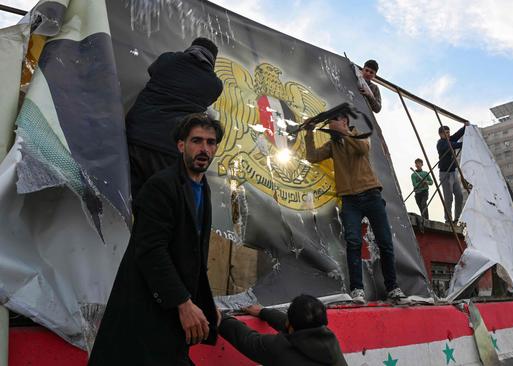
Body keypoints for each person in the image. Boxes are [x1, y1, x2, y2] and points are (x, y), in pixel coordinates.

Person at [88, 114, 224, 366]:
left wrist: (204, 301)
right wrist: (184, 304)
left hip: (169, 312)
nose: (204, 149)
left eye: (210, 142)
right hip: (144, 308)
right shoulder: (161, 186)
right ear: (181, 145)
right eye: (197, 141)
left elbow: (192, 255)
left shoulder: (202, 188)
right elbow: (151, 250)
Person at [304, 113, 407, 305]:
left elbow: (362, 149)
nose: (330, 125)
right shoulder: (332, 145)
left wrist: (344, 134)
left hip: (371, 194)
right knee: (353, 243)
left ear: (344, 121)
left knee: (384, 242)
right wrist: (309, 133)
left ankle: (393, 287)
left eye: (334, 121)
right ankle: (357, 289)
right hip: (349, 199)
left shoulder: (358, 135)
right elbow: (312, 157)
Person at [126, 37, 224, 199]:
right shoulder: (214, 85)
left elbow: (152, 71)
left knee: (123, 197)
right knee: (154, 204)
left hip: (136, 135)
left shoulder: (167, 60)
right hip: (169, 148)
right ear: (212, 60)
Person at [218, 294, 348, 365]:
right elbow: (297, 328)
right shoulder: (329, 341)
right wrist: (264, 312)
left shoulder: (281, 349)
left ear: (290, 326)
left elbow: (248, 340)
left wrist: (217, 316)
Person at [437, 122, 469, 224]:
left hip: (453, 172)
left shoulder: (449, 140)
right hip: (445, 173)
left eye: (448, 133)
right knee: (448, 198)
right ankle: (448, 219)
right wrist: (463, 144)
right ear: (441, 134)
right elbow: (452, 145)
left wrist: (464, 127)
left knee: (459, 195)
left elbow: (457, 135)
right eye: (446, 133)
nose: (448, 135)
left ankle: (457, 218)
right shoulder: (441, 143)